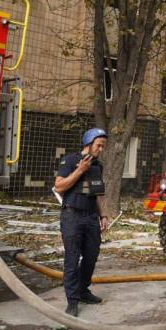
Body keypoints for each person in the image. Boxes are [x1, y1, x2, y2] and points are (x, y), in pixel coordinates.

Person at [54, 128, 110, 316]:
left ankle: (83, 291)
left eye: (103, 146)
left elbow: (96, 195)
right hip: (72, 216)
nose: (101, 149)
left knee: (91, 256)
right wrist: (80, 170)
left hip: (91, 217)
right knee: (72, 258)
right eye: (99, 145)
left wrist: (103, 216)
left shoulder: (98, 166)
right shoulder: (70, 160)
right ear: (88, 143)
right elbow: (59, 186)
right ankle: (72, 301)